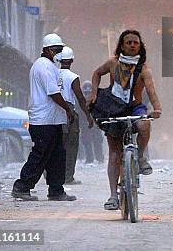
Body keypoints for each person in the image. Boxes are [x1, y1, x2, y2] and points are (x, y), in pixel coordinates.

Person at [89, 29, 162, 210]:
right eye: (128, 42)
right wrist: (93, 92)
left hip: (135, 107)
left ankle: (141, 156)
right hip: (113, 108)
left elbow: (151, 91)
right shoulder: (113, 64)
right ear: (122, 45)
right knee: (114, 154)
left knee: (144, 125)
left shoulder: (144, 70)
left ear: (140, 46)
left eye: (135, 42)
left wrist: (157, 108)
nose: (132, 45)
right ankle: (113, 196)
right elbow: (97, 73)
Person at [12, 33, 76, 202]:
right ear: (47, 50)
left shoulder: (50, 66)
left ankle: (56, 190)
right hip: (43, 121)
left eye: (61, 50)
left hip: (53, 120)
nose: (59, 53)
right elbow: (53, 93)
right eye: (56, 50)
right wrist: (68, 109)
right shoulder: (44, 67)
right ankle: (22, 186)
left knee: (57, 156)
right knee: (40, 155)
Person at [56, 46, 94, 184]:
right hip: (68, 112)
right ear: (72, 60)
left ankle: (50, 175)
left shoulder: (52, 73)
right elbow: (80, 98)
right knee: (71, 146)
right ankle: (67, 177)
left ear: (59, 60)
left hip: (52, 111)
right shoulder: (73, 77)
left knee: (54, 145)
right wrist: (88, 116)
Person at [79, 81, 104, 164]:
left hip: (95, 124)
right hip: (85, 125)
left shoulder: (97, 99)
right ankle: (90, 159)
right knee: (86, 142)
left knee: (97, 142)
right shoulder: (80, 101)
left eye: (89, 92)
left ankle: (99, 159)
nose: (87, 94)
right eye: (86, 92)